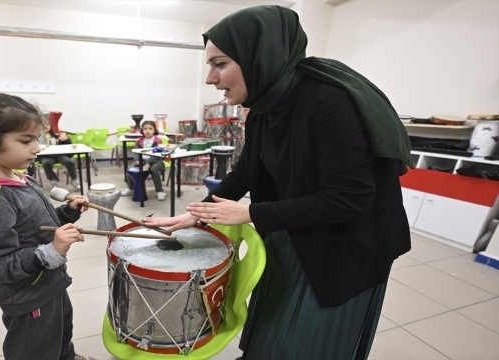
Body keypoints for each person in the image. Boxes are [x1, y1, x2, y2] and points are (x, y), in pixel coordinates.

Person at [143, 5, 412, 360]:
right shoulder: (265, 105)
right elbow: (245, 172)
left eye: (220, 64)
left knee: (309, 340)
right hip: (296, 228)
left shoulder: (331, 103)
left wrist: (250, 212)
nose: (210, 78)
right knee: (272, 327)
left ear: (259, 56)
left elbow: (347, 200)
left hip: (345, 248)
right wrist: (200, 212)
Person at [0, 76, 96, 360]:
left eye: (37, 139)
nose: (37, 148)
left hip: (49, 283)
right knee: (35, 349)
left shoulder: (18, 177)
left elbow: (37, 227)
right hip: (27, 298)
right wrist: (52, 251)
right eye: (26, 141)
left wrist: (68, 213)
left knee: (61, 332)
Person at [121, 120, 167, 201]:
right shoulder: (139, 141)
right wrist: (136, 160)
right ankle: (130, 188)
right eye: (145, 128)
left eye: (150, 128)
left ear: (154, 130)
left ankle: (160, 191)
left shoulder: (157, 141)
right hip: (142, 161)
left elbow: (157, 155)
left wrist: (149, 163)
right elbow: (136, 152)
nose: (147, 130)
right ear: (142, 130)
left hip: (155, 161)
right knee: (130, 171)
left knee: (154, 169)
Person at [40, 125, 80, 190]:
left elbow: (68, 146)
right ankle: (52, 182)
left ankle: (74, 181)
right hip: (46, 156)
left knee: (70, 162)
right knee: (46, 163)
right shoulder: (38, 137)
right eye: (43, 124)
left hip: (59, 155)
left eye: (47, 124)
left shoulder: (57, 135)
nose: (45, 126)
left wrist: (67, 140)